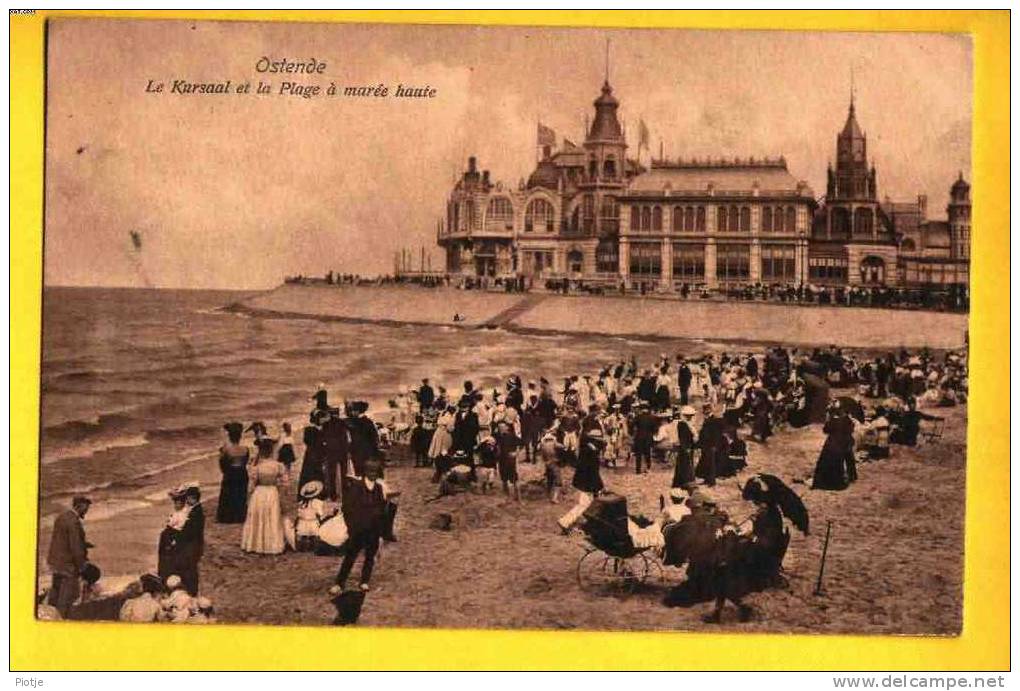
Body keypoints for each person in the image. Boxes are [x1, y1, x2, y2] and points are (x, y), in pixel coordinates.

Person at [337, 460, 389, 592]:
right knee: (351, 555)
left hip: (373, 528)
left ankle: (364, 580)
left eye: (375, 472)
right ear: (365, 472)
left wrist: (380, 525)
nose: (373, 474)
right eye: (370, 471)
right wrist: (351, 526)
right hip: (358, 528)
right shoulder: (356, 487)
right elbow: (347, 508)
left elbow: (382, 506)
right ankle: (339, 582)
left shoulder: (378, 488)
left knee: (370, 555)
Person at [46, 495, 91, 618]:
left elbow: (62, 539)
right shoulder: (74, 522)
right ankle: (61, 622)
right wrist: (82, 566)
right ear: (79, 506)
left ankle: (48, 618)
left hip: (55, 562)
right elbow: (75, 547)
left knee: (55, 593)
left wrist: (84, 544)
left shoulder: (62, 517)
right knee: (66, 598)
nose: (86, 511)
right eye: (86, 508)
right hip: (68, 566)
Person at [241, 437, 287, 555]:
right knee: (272, 517)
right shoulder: (278, 465)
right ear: (271, 451)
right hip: (272, 492)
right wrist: (281, 494)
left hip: (259, 493)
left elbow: (251, 484)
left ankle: (256, 543)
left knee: (258, 517)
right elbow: (284, 482)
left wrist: (248, 496)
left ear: (260, 451)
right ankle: (271, 545)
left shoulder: (257, 467)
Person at [158, 483, 205, 595]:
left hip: (181, 546)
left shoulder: (187, 514)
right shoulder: (183, 513)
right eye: (175, 502)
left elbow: (184, 533)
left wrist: (173, 539)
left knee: (181, 568)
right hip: (174, 544)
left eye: (178, 501)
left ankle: (182, 589)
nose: (176, 504)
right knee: (172, 566)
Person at [557, 428, 606, 533]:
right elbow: (593, 472)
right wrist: (599, 486)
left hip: (582, 480)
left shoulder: (585, 448)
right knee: (583, 504)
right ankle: (565, 521)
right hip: (587, 482)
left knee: (588, 503)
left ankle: (591, 523)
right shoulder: (592, 452)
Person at [811, 403, 856, 491]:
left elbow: (825, 430)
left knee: (828, 461)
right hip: (845, 442)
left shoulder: (833, 421)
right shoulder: (848, 420)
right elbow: (851, 429)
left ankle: (827, 481)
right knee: (849, 458)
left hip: (832, 443)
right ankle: (852, 476)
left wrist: (828, 419)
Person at [216, 422, 250, 523]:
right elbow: (245, 462)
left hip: (231, 472)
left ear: (230, 436)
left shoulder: (226, 449)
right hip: (242, 472)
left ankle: (227, 517)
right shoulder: (245, 449)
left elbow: (222, 463)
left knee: (228, 494)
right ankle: (239, 515)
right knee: (240, 494)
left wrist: (226, 472)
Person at [295, 480, 327, 552]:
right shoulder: (316, 502)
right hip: (313, 522)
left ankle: (304, 546)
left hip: (302, 522)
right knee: (315, 534)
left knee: (303, 534)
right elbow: (320, 513)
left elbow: (299, 513)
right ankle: (314, 547)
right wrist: (322, 517)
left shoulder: (302, 503)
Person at [672, 406, 697, 489]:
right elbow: (683, 438)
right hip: (685, 447)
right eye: (688, 415)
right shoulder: (682, 424)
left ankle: (681, 482)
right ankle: (685, 482)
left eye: (691, 415)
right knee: (684, 465)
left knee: (684, 465)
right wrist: (685, 448)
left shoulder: (688, 424)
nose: (690, 417)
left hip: (688, 446)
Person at [632, 402, 659, 475]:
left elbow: (632, 425)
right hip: (648, 437)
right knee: (647, 453)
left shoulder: (638, 417)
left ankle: (638, 470)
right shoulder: (652, 417)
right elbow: (655, 429)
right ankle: (647, 467)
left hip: (639, 437)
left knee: (639, 454)